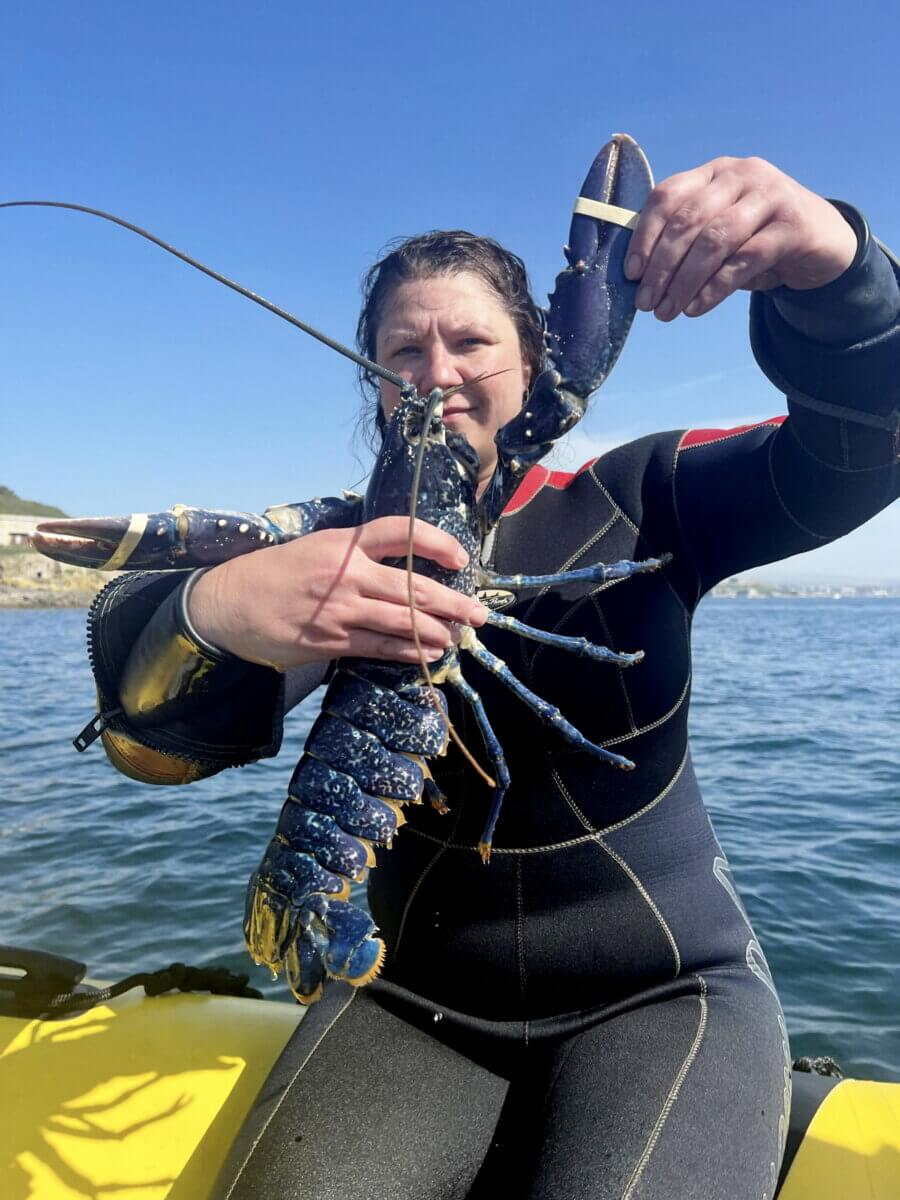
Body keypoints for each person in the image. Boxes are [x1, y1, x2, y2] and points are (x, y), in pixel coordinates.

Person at [85, 154, 899, 1199]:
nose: (437, 372)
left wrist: (839, 277)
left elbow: (854, 455)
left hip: (664, 990)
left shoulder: (644, 494)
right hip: (402, 992)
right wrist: (219, 610)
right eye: (402, 350)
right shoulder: (326, 545)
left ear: (535, 360)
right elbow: (146, 746)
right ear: (373, 378)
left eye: (471, 341)